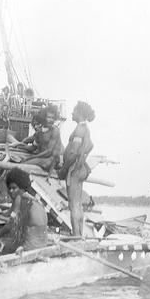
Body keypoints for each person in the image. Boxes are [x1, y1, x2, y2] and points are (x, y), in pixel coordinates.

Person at [0, 168, 48, 254]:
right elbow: (13, 215)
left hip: (30, 248)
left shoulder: (20, 199)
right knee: (7, 239)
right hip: (43, 245)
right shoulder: (34, 200)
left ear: (22, 188)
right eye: (9, 188)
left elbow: (11, 223)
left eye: (14, 188)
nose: (11, 191)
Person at [60, 101, 95, 236]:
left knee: (73, 205)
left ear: (80, 113)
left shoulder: (79, 129)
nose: (72, 113)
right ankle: (79, 235)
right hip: (81, 169)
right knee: (78, 205)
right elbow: (91, 145)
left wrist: (65, 168)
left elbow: (73, 151)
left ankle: (76, 236)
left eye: (74, 111)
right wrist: (83, 158)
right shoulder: (86, 128)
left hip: (74, 169)